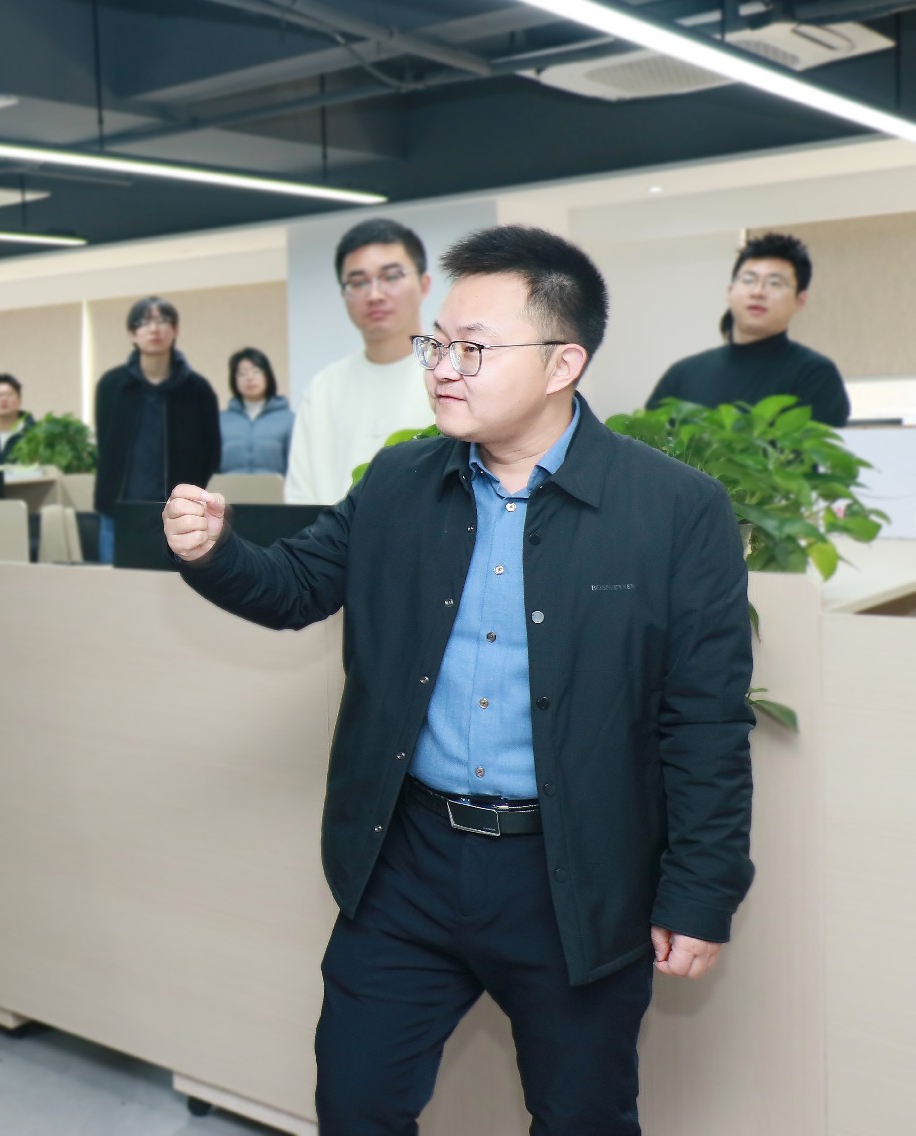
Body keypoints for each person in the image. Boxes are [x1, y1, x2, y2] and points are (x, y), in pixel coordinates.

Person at [164, 225, 754, 1134]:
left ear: (563, 363)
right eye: (435, 344)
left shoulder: (675, 510)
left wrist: (701, 892)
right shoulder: (398, 481)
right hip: (408, 862)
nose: (442, 368)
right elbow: (295, 588)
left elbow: (705, 721)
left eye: (472, 349)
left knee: (583, 1116)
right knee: (355, 1103)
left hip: (574, 875)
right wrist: (214, 551)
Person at [285, 218, 436, 504]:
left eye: (391, 276)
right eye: (358, 282)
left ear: (424, 284)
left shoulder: (447, 373)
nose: (374, 295)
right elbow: (300, 497)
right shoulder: (324, 387)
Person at [646, 232, 849, 426]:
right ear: (730, 291)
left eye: (775, 283)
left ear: (800, 300)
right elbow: (647, 441)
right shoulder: (682, 374)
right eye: (748, 280)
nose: (758, 292)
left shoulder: (815, 375)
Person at [93, 296, 220, 562]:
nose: (153, 328)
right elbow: (106, 444)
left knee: (175, 585)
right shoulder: (112, 385)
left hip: (178, 515)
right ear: (132, 334)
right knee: (113, 585)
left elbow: (211, 452)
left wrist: (189, 497)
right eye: (143, 322)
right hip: (117, 512)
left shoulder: (197, 389)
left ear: (175, 329)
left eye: (162, 320)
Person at [218, 346, 293, 475]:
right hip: (230, 488)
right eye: (242, 373)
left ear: (267, 376)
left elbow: (297, 467)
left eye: (256, 371)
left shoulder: (289, 420)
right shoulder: (220, 421)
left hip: (274, 488)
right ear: (234, 380)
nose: (250, 378)